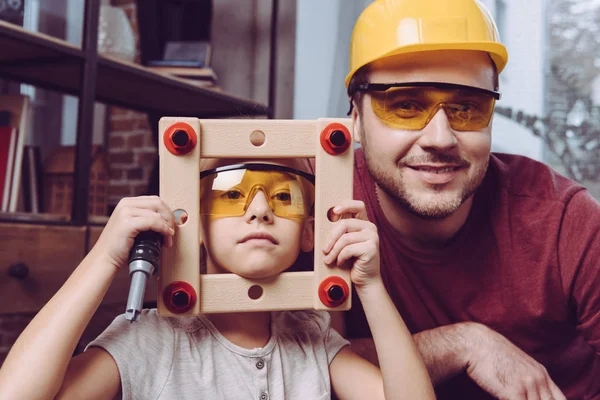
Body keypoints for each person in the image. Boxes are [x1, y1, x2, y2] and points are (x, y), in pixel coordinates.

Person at [0, 157, 435, 400]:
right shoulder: (152, 340)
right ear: (194, 224)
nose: (259, 209)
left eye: (283, 195)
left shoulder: (311, 339)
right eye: (231, 194)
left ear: (309, 231)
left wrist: (371, 287)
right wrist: (103, 257)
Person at [340, 0, 600, 399]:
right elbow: (278, 360)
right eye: (406, 106)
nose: (440, 138)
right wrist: (464, 344)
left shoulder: (565, 221)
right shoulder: (310, 203)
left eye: (466, 108)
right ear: (355, 119)